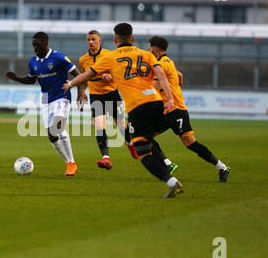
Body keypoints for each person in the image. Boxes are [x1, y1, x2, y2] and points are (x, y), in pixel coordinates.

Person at [64, 23, 184, 198]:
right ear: (132, 39)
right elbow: (162, 75)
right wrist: (171, 99)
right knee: (146, 138)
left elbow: (85, 75)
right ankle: (166, 162)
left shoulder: (110, 57)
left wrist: (70, 84)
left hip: (137, 106)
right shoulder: (146, 54)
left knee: (143, 152)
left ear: (114, 40)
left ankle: (172, 182)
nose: (90, 42)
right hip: (156, 102)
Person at [148, 36, 230, 182]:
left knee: (190, 143)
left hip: (176, 110)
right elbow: (180, 75)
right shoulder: (168, 62)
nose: (149, 51)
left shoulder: (162, 64)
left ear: (156, 49)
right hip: (167, 111)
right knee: (145, 136)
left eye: (150, 48)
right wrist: (177, 88)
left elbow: (155, 87)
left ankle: (222, 167)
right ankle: (168, 164)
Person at [5, 32, 85, 176]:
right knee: (51, 136)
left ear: (46, 43)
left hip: (62, 96)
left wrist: (80, 93)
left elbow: (78, 75)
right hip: (46, 98)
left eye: (37, 45)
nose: (35, 48)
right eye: (33, 45)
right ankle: (68, 162)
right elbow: (31, 80)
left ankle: (71, 162)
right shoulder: (33, 61)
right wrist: (16, 78)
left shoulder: (58, 57)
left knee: (57, 128)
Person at [78, 30, 138, 170]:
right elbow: (84, 78)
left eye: (93, 39)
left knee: (122, 126)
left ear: (100, 41)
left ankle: (130, 144)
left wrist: (111, 77)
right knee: (100, 126)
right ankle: (106, 158)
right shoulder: (83, 60)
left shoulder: (109, 55)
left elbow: (120, 73)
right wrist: (82, 92)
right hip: (96, 96)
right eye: (88, 40)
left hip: (112, 94)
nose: (91, 42)